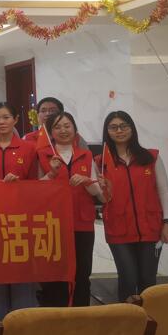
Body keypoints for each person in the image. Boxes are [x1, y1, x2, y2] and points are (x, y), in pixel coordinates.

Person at [99, 111, 168, 302]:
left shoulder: (150, 157)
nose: (119, 130)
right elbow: (99, 197)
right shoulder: (101, 162)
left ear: (132, 128)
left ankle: (150, 319)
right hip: (118, 229)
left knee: (148, 281)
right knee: (128, 278)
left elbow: (164, 191)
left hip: (150, 228)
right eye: (113, 127)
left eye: (124, 125)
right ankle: (127, 318)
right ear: (107, 131)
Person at [0, 102, 38, 322]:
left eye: (6, 117)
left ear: (15, 120)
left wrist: (19, 184)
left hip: (20, 218)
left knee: (21, 269)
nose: (1, 122)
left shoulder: (28, 148)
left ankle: (24, 323)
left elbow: (35, 184)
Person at [37, 112, 107, 308]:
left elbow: (98, 192)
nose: (63, 130)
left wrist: (87, 181)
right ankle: (56, 314)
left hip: (82, 223)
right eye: (57, 127)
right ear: (51, 132)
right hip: (53, 223)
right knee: (55, 272)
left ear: (75, 129)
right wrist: (51, 174)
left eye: (67, 126)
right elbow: (35, 190)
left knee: (82, 272)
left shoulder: (86, 155)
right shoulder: (43, 155)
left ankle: (81, 313)